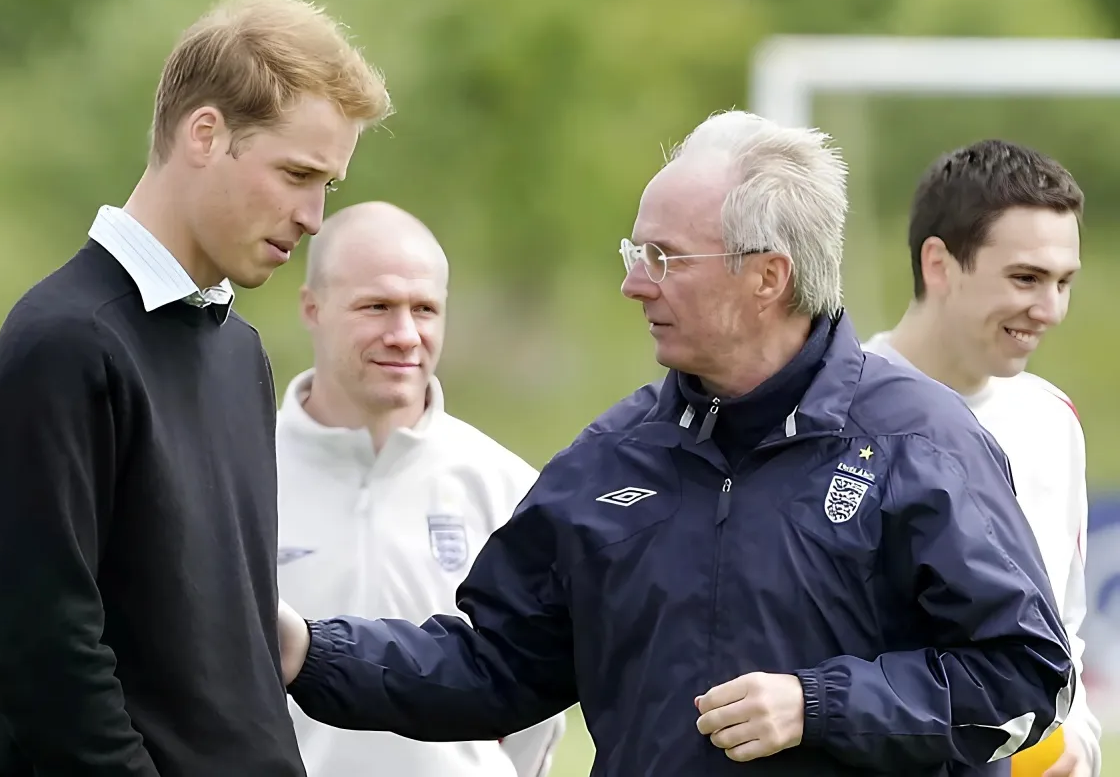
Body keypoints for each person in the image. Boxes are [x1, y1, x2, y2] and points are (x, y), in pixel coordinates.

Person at [275, 110, 1075, 776]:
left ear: (767, 277)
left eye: (663, 258)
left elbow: (1024, 679)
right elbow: (495, 666)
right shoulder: (612, 457)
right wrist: (307, 653)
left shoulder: (920, 442)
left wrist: (818, 705)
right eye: (636, 254)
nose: (633, 282)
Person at [0, 0, 390, 776]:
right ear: (205, 133)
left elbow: (225, 654)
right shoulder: (65, 343)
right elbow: (43, 659)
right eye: (297, 173)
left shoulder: (239, 350)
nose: (313, 217)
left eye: (327, 184)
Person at [275, 200, 566, 777]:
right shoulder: (241, 475)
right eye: (377, 306)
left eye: (425, 309)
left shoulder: (509, 488)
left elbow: (538, 699)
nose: (404, 335)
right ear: (313, 308)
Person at [863, 139, 1099, 777]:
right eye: (1026, 278)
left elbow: (1061, 639)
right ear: (939, 264)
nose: (1048, 309)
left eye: (1063, 282)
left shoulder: (1052, 421)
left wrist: (1075, 743)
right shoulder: (830, 412)